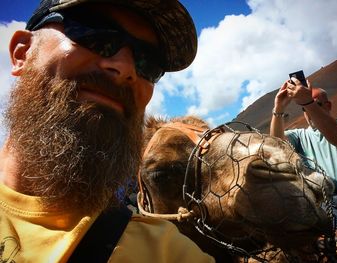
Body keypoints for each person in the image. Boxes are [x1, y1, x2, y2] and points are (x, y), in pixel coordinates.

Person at [0, 0, 215, 262]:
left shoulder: (167, 253)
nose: (125, 68)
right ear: (22, 53)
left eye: (147, 63)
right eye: (94, 34)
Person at [270, 77, 337, 237]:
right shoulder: (300, 135)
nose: (309, 111)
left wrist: (307, 103)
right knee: (332, 240)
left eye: (317, 104)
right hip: (324, 198)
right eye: (304, 108)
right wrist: (278, 108)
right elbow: (277, 144)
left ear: (328, 106)